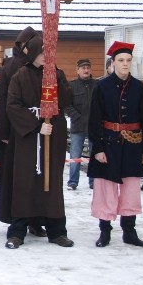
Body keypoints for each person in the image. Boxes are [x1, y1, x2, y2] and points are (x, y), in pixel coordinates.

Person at [4, 35, 74, 249]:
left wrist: (57, 80)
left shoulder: (56, 74)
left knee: (52, 183)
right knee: (25, 182)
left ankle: (57, 231)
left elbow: (67, 101)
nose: (46, 57)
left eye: (49, 53)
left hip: (53, 134)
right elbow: (12, 106)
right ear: (33, 53)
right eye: (43, 53)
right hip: (28, 139)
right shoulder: (20, 76)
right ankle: (17, 231)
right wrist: (35, 125)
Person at [88, 41, 143, 247]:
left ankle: (129, 232)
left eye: (128, 60)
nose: (125, 64)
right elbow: (94, 119)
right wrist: (97, 148)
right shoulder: (102, 86)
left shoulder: (140, 89)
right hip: (108, 143)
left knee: (131, 189)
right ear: (113, 62)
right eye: (121, 60)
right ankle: (105, 232)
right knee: (106, 188)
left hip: (133, 145)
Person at [0, 26, 48, 239]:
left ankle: (36, 219)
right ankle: (19, 219)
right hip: (17, 131)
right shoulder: (13, 66)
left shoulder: (39, 67)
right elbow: (3, 102)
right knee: (18, 179)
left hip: (37, 129)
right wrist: (4, 133)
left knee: (36, 176)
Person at [65, 58, 97, 190]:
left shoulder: (97, 85)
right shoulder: (71, 85)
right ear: (77, 70)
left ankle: (94, 181)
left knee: (95, 155)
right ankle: (73, 181)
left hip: (94, 126)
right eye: (83, 68)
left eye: (88, 67)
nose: (86, 70)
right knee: (75, 155)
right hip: (77, 126)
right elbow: (67, 105)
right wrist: (76, 116)